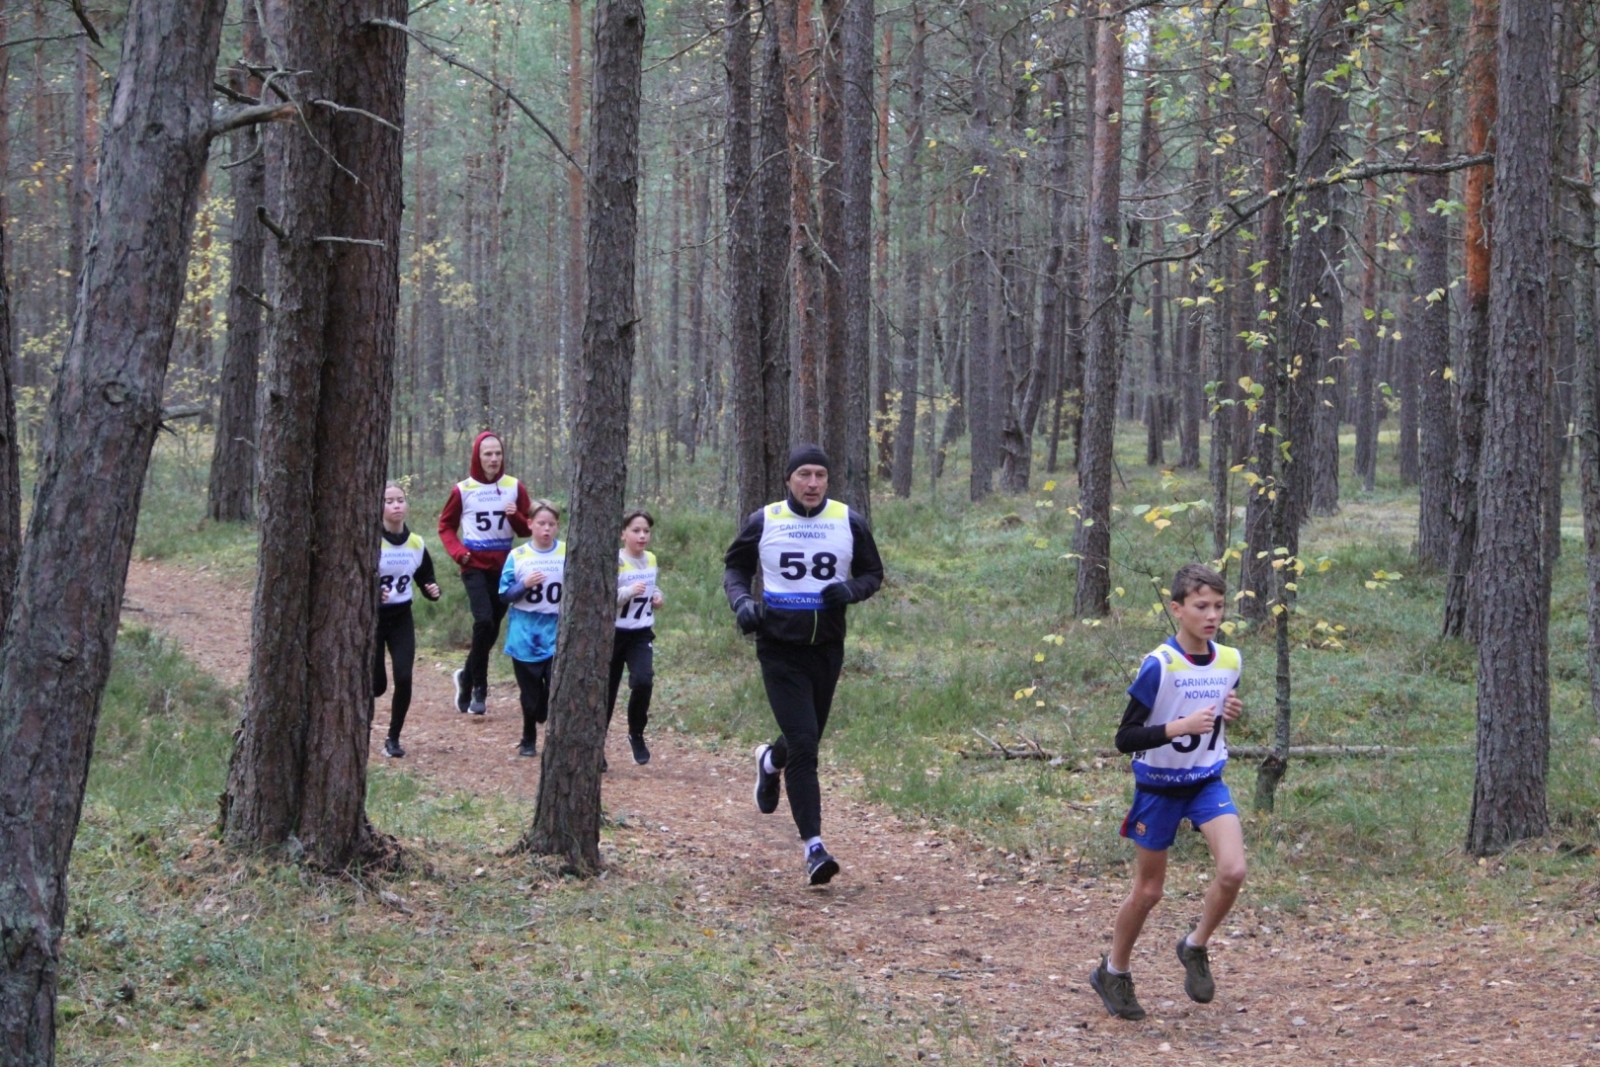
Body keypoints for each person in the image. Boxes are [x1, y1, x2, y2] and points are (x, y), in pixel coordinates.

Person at [1089, 562, 1247, 1021]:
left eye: (1218, 606)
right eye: (1201, 606)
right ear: (1178, 609)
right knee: (1149, 891)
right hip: (1158, 788)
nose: (1212, 615)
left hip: (1205, 781)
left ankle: (1194, 945)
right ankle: (1113, 971)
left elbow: (1216, 711)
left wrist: (1230, 710)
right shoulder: (1159, 664)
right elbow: (1125, 738)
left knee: (1233, 870)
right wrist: (1177, 727)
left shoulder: (1230, 660)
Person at [723, 444, 883, 885]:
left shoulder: (849, 521)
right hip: (778, 647)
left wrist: (851, 591)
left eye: (820, 476)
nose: (812, 484)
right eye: (804, 475)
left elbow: (873, 574)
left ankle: (770, 762)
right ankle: (814, 848)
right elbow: (734, 568)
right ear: (789, 479)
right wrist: (741, 602)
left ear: (828, 481)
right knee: (806, 744)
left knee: (803, 737)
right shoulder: (766, 519)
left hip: (827, 648)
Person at [438, 431, 532, 716]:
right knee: (483, 621)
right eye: (487, 454)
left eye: (498, 454)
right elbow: (445, 526)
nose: (493, 459)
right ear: (477, 457)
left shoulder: (514, 486)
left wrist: (514, 515)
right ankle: (478, 688)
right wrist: (458, 552)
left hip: (504, 567)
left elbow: (527, 529)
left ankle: (465, 675)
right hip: (473, 565)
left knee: (490, 631)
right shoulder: (463, 489)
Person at [375, 481, 442, 758]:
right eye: (389, 501)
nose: (396, 506)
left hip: (402, 616)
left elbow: (426, 576)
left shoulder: (416, 543)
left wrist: (432, 590)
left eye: (400, 500)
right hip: (373, 621)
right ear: (379, 507)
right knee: (376, 685)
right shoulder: (372, 541)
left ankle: (393, 738)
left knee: (404, 677)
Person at [499, 500, 564, 757]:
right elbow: (505, 595)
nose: (546, 529)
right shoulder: (518, 556)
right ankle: (528, 738)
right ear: (530, 524)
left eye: (551, 525)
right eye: (541, 524)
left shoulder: (567, 553)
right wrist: (524, 584)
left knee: (553, 688)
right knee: (530, 694)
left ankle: (553, 733)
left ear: (557, 526)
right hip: (525, 633)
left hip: (557, 630)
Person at [608, 509, 664, 767]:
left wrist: (657, 597)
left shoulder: (651, 559)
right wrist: (628, 591)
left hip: (641, 632)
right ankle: (596, 746)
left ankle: (636, 733)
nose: (642, 536)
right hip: (614, 634)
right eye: (636, 531)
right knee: (605, 692)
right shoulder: (615, 562)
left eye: (646, 531)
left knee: (643, 681)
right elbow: (606, 599)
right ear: (623, 534)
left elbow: (653, 588)